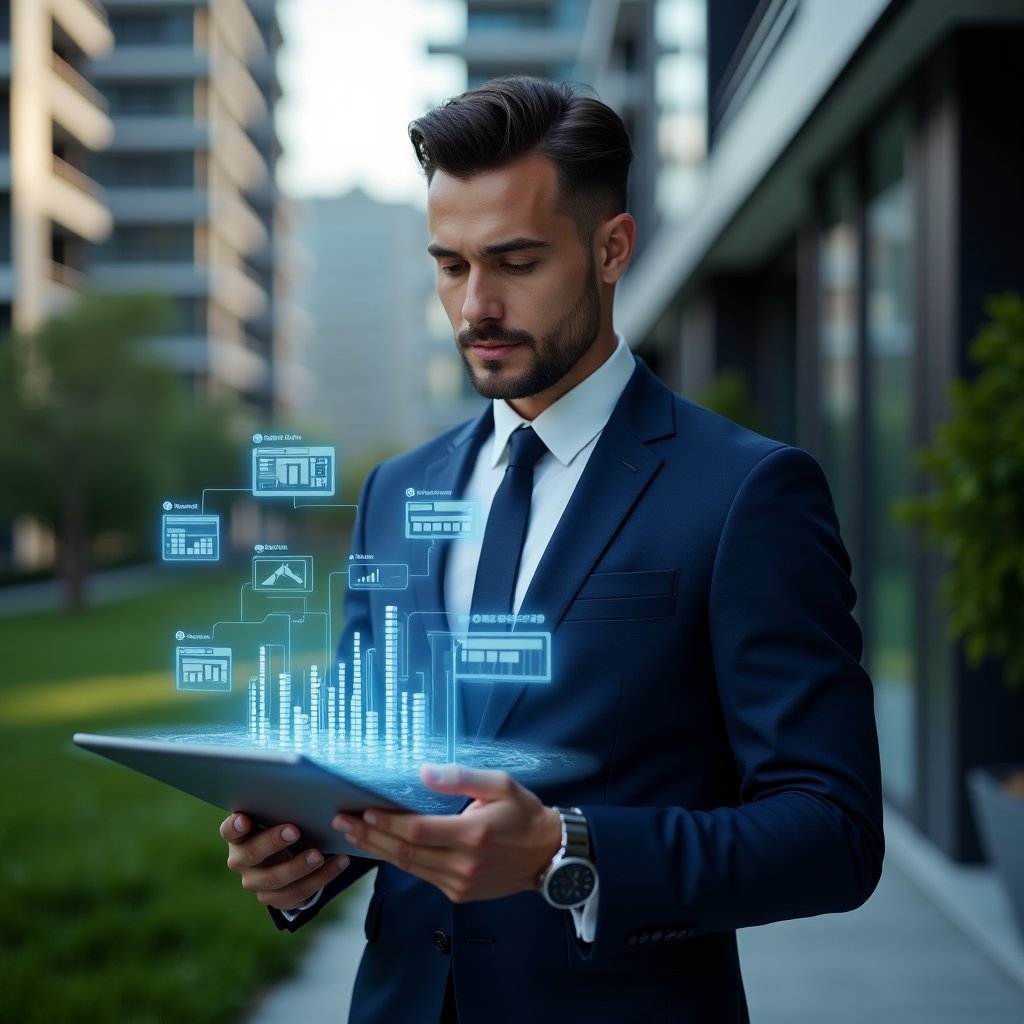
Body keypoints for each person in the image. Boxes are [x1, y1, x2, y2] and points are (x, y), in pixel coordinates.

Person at [220, 76, 883, 1023]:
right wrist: (303, 861)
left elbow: (834, 832)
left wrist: (569, 851)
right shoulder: (397, 492)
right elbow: (368, 768)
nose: (475, 306)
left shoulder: (749, 493)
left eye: (515, 261)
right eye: (451, 265)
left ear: (612, 249)